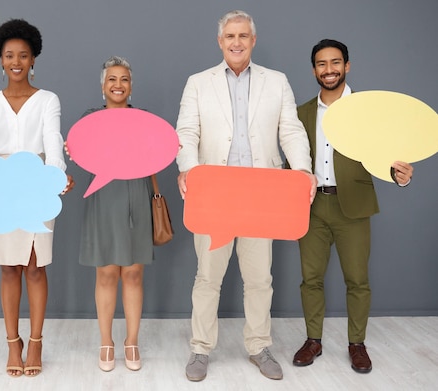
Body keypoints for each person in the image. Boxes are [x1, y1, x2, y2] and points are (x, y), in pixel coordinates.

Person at [175, 10, 316, 382]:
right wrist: (188, 168)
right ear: (220, 42)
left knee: (259, 278)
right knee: (207, 278)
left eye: (243, 36)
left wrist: (302, 172)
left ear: (253, 41)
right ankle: (200, 349)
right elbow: (186, 132)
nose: (236, 42)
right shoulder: (198, 83)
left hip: (261, 196)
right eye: (230, 36)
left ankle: (258, 345)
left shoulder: (277, 81)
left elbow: (291, 130)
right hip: (213, 194)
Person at [291, 39, 413, 374]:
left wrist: (400, 175)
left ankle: (356, 344)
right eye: (321, 64)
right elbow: (292, 163)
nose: (328, 70)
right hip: (313, 207)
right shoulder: (301, 113)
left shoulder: (368, 110)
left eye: (335, 63)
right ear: (314, 69)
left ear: (347, 65)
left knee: (357, 280)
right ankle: (313, 340)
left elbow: (386, 156)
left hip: (354, 207)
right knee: (310, 278)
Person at [0, 19, 74, 378]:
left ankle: (37, 340)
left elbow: (53, 141)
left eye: (23, 55)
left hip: (36, 179)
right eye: (9, 55)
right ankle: (14, 343)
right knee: (9, 266)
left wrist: (55, 176)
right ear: (0, 59)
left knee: (34, 264)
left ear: (33, 59)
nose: (16, 61)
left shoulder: (47, 99)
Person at [74, 56, 152, 372]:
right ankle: (106, 342)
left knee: (133, 272)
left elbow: (154, 158)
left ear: (131, 86)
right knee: (106, 272)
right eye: (112, 79)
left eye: (124, 79)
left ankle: (131, 341)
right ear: (103, 85)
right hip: (104, 198)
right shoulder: (89, 119)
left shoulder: (145, 120)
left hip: (137, 196)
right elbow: (82, 156)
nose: (118, 85)